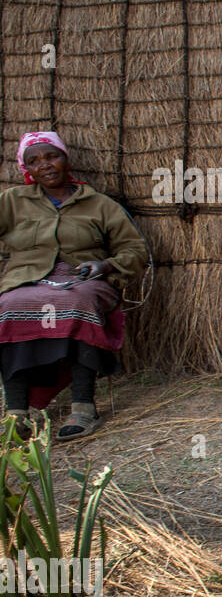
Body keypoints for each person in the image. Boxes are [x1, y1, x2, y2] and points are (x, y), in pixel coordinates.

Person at [0, 131, 147, 441]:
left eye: (51, 156)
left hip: (84, 280)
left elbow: (135, 249)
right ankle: (16, 412)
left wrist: (106, 265)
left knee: (78, 303)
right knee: (8, 306)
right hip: (26, 279)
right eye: (34, 161)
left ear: (65, 158)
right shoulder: (12, 201)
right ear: (27, 169)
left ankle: (83, 405)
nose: (45, 165)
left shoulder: (98, 204)